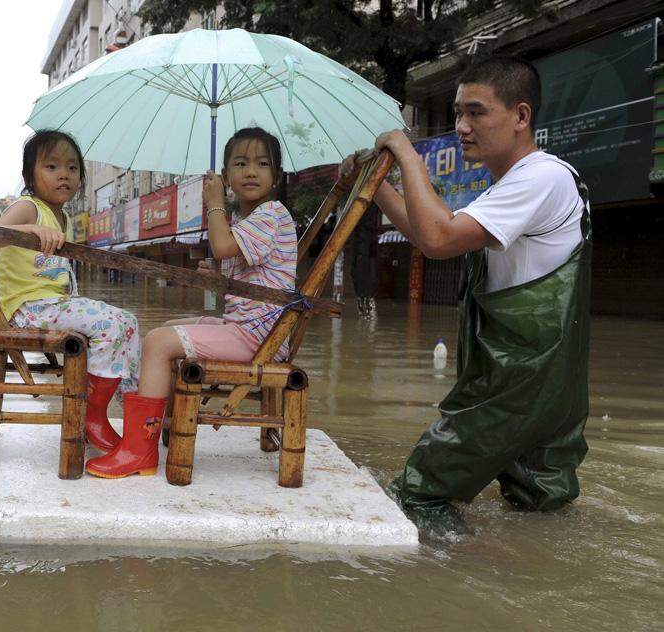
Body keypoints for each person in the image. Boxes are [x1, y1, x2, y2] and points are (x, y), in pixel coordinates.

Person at [345, 56, 591, 528]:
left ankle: (458, 574)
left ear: (521, 116)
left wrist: (406, 152)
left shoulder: (542, 177)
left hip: (516, 385)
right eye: (458, 113)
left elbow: (437, 239)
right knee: (540, 512)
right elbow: (428, 234)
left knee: (418, 495)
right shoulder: (519, 184)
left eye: (476, 112)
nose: (461, 126)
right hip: (542, 384)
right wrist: (371, 185)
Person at [85, 127, 298, 479]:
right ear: (227, 174)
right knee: (166, 329)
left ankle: (139, 450)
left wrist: (215, 202)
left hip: (258, 337)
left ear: (276, 177)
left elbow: (223, 247)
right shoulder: (248, 219)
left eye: (262, 163)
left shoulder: (271, 214)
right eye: (241, 163)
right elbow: (237, 271)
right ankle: (157, 425)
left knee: (156, 343)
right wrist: (217, 276)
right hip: (248, 329)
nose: (251, 171)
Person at [0, 130, 141, 453]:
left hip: (51, 306)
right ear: (30, 177)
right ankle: (92, 415)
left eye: (72, 168)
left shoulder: (61, 217)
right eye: (51, 167)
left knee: (128, 320)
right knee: (113, 323)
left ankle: (136, 411)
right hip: (26, 310)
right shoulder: (28, 208)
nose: (64, 174)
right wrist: (27, 230)